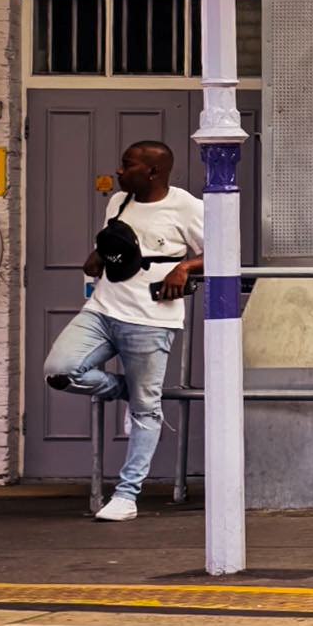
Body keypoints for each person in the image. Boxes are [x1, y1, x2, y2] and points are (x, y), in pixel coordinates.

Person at [44, 137, 205, 522]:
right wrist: (98, 256)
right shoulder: (118, 201)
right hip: (102, 310)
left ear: (153, 171)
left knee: (146, 412)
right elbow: (117, 242)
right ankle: (130, 391)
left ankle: (127, 496)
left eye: (128, 164)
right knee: (60, 371)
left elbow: (223, 250)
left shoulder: (187, 207)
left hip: (150, 319)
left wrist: (184, 268)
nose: (119, 170)